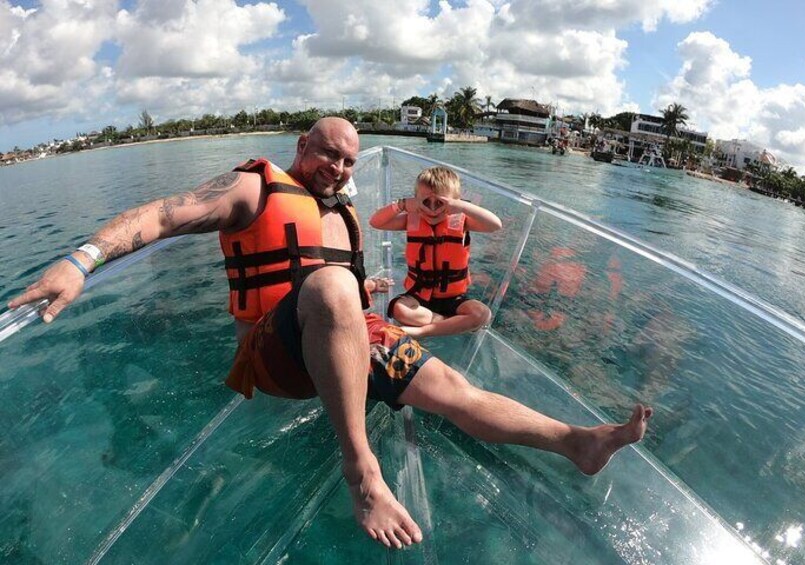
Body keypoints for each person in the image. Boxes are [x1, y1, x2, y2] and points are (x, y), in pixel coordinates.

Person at [7, 117, 652, 549]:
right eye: (328, 154)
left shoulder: (344, 219)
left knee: (453, 387)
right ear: (301, 151)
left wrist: (364, 295)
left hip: (345, 331)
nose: (340, 168)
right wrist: (80, 261)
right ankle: (362, 472)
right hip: (273, 358)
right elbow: (163, 215)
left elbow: (343, 294)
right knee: (334, 289)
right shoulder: (252, 188)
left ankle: (577, 443)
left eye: (348, 160)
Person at [369, 166, 501, 338]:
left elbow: (495, 225)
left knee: (482, 314)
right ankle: (450, 323)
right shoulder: (411, 219)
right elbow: (376, 222)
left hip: (454, 299)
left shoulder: (463, 221)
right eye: (425, 202)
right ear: (416, 201)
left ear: (454, 203)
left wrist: (461, 206)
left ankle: (424, 331)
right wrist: (401, 204)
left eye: (440, 203)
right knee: (398, 309)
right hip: (418, 296)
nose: (432, 209)